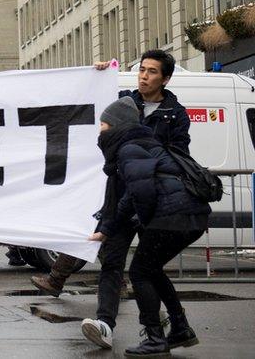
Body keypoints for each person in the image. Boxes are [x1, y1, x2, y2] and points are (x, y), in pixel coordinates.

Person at [26, 51, 190, 349]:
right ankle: (105, 324)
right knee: (112, 262)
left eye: (152, 72)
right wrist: (96, 75)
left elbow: (180, 154)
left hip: (150, 200)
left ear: (165, 78)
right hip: (122, 195)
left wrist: (149, 163)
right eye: (142, 70)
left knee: (147, 269)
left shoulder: (175, 114)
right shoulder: (125, 101)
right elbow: (90, 102)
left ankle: (175, 324)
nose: (144, 76)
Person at [90, 97, 209, 357]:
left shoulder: (130, 148)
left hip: (174, 217)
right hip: (192, 214)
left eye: (103, 124)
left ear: (116, 126)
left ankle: (154, 337)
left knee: (140, 272)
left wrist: (143, 222)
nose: (100, 129)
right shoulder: (144, 143)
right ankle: (179, 327)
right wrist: (110, 227)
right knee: (151, 269)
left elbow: (138, 194)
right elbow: (132, 195)